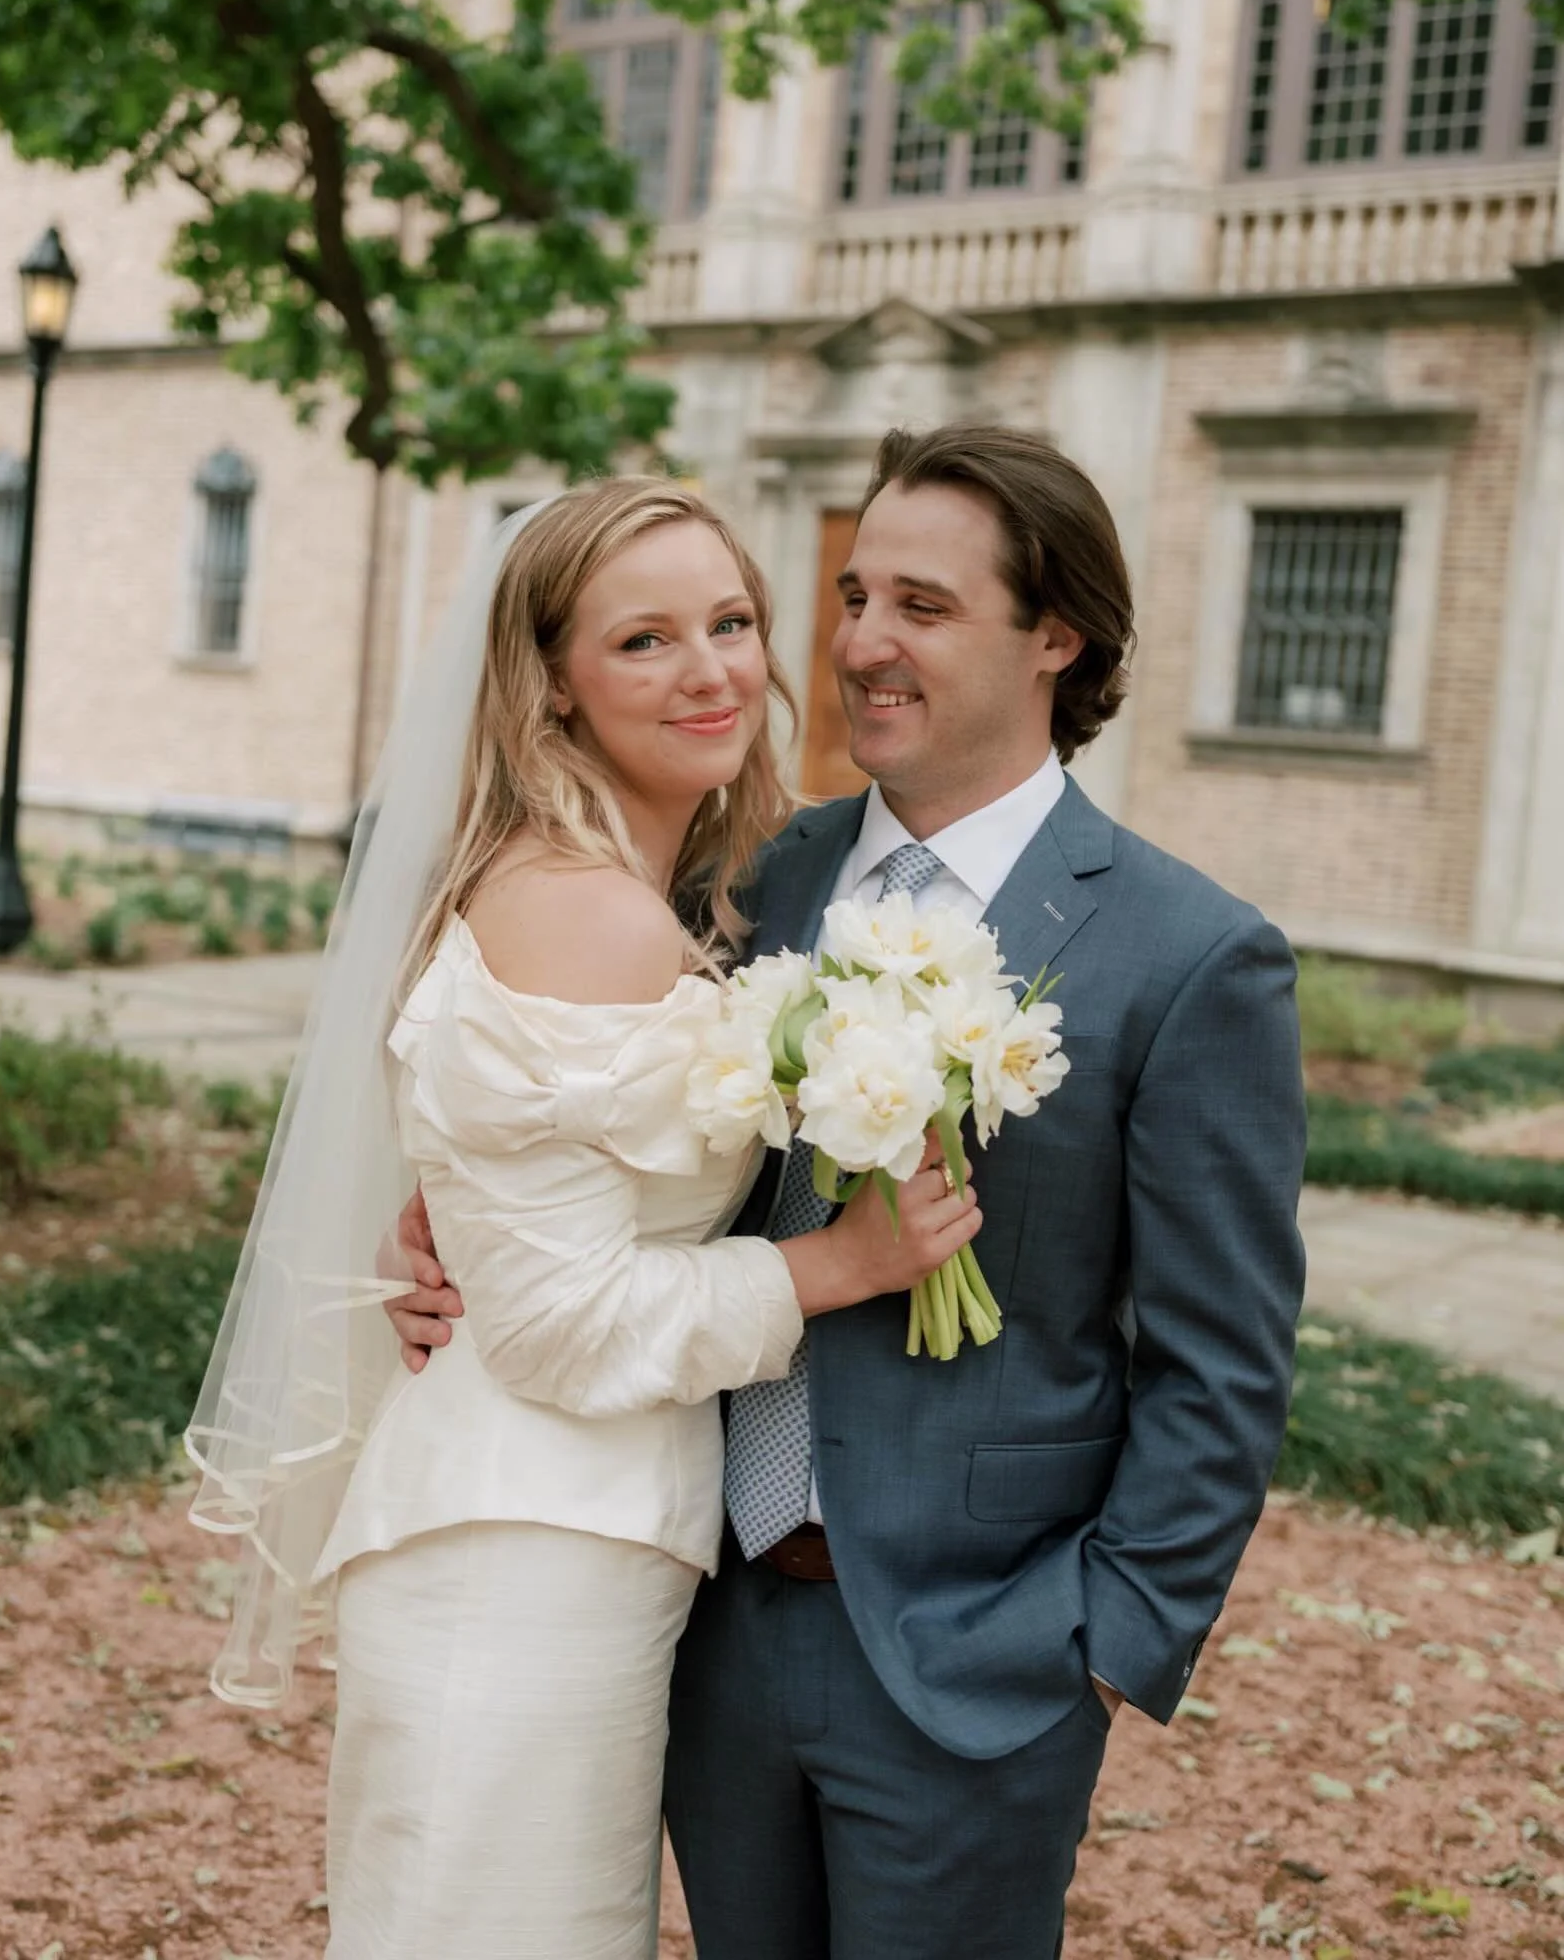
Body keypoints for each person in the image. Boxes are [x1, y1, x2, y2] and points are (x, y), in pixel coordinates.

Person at [386, 426, 1307, 1959]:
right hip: (710, 1617)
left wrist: (1090, 1646)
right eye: (854, 594)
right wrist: (458, 1227)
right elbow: (582, 1135)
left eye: (923, 609)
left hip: (979, 1659)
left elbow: (1224, 1363)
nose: (862, 644)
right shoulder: (746, 877)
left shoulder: (1189, 956)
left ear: (1054, 637)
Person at [185, 477, 983, 1960]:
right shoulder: (584, 908)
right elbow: (561, 1330)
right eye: (643, 641)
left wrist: (455, 1219)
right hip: (524, 1547)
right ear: (549, 683)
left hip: (573, 1533)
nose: (712, 672)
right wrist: (843, 1263)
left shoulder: (648, 886)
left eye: (731, 621)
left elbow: (544, 1199)